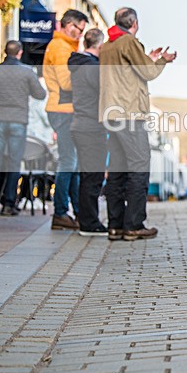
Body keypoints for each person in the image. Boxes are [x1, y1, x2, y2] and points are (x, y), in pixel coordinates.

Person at [99, 7, 176, 241]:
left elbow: (128, 72)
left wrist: (148, 58)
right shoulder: (129, 42)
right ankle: (133, 225)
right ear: (134, 23)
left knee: (118, 171)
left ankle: (115, 225)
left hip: (111, 114)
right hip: (130, 114)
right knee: (139, 167)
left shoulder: (107, 46)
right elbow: (147, 73)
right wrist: (162, 60)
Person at [0, 40, 47, 215]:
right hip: (18, 120)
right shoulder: (27, 71)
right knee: (14, 162)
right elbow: (40, 94)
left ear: (5, 52)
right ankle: (9, 204)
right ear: (19, 52)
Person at [43, 9, 88, 230]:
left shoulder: (66, 47)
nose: (80, 34)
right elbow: (67, 83)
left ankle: (77, 212)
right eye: (77, 28)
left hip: (64, 109)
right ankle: (60, 213)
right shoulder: (61, 48)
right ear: (66, 24)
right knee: (68, 163)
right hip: (63, 110)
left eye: (82, 30)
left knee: (73, 163)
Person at [68, 28, 108, 237]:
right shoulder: (92, 67)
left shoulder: (78, 64)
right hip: (91, 127)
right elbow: (106, 91)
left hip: (80, 124)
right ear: (100, 46)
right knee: (93, 177)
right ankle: (90, 223)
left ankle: (86, 220)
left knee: (87, 175)